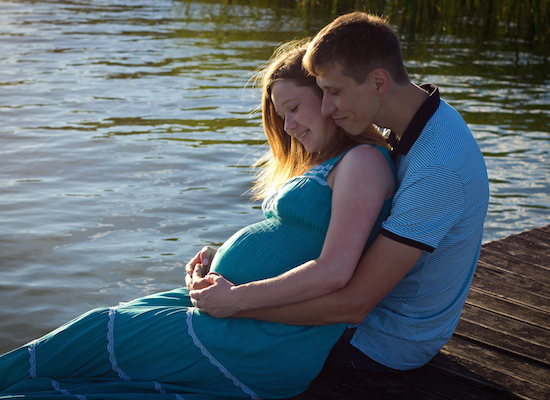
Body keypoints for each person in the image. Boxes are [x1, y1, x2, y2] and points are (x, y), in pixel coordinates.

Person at [0, 41, 395, 399]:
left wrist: (235, 298)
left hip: (264, 339)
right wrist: (217, 262)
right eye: (281, 116)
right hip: (236, 317)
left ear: (328, 97)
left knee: (90, 340)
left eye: (294, 109)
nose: (289, 127)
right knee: (90, 341)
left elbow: (335, 270)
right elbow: (298, 242)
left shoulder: (360, 161)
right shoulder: (330, 163)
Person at [188, 12, 489, 373]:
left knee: (170, 352)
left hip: (381, 341)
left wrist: (236, 303)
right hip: (358, 318)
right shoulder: (418, 119)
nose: (327, 108)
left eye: (333, 92)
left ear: (378, 81)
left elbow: (354, 304)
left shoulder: (439, 168)